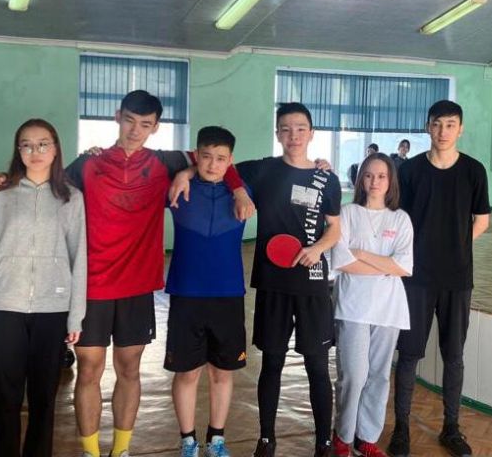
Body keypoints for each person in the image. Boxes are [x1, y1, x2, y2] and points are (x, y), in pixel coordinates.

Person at [0, 90, 254, 457]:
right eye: (129, 120)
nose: (135, 130)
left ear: (155, 127)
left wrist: (230, 187)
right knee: (89, 370)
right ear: (117, 117)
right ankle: (91, 452)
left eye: (145, 124)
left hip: (137, 287)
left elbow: (215, 159)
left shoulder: (164, 162)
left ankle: (120, 450)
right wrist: (5, 178)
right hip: (92, 285)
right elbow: (46, 181)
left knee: (129, 370)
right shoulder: (89, 163)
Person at [176, 102, 340, 457]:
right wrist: (188, 173)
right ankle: (266, 439)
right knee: (273, 363)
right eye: (286, 129)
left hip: (312, 284)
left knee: (317, 365)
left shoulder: (327, 179)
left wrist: (319, 248)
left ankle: (324, 442)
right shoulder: (263, 170)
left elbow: (335, 228)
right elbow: (219, 164)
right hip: (272, 284)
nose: (294, 135)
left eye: (300, 128)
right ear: (278, 134)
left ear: (311, 133)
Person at [0, 118, 87, 457]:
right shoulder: (0, 194)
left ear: (56, 149)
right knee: (4, 399)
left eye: (43, 143)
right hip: (4, 308)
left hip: (52, 310)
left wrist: (75, 317)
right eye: (27, 145)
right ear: (18, 151)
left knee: (44, 401)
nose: (36, 151)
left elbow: (79, 257)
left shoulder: (71, 198)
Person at [387, 100, 490, 457]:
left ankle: (451, 428)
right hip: (415, 278)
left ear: (460, 129)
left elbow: (481, 221)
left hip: (457, 279)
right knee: (409, 354)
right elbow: (397, 220)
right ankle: (401, 428)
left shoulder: (474, 171)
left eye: (450, 124)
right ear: (427, 127)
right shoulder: (411, 170)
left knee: (454, 356)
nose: (443, 131)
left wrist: (456, 246)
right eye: (437, 124)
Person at [165, 126, 250, 457]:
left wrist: (321, 166)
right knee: (187, 373)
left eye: (221, 158)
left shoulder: (244, 191)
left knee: (222, 373)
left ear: (231, 161)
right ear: (196, 156)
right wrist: (185, 172)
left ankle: (216, 440)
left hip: (228, 296)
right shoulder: (177, 187)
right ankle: (188, 440)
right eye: (206, 157)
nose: (213, 164)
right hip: (186, 295)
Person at [330, 153, 413, 457]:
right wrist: (385, 265)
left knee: (378, 375)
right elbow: (342, 261)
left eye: (381, 176)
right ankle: (343, 435)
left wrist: (362, 254)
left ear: (390, 181)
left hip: (388, 309)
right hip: (353, 306)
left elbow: (404, 267)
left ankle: (366, 436)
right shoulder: (347, 213)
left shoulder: (400, 219)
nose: (374, 181)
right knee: (353, 375)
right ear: (360, 179)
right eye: (368, 175)